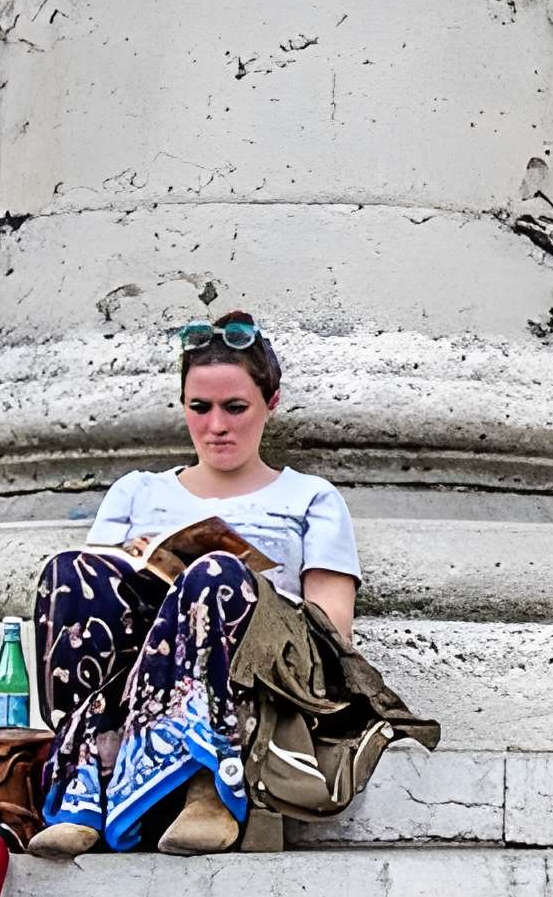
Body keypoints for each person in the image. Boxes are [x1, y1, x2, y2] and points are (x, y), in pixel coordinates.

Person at [27, 314, 362, 857]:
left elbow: (332, 632)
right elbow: (93, 595)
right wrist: (135, 558)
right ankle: (86, 777)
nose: (216, 426)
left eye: (235, 408)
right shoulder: (138, 492)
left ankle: (210, 786)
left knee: (214, 573)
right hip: (146, 659)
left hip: (261, 661)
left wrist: (245, 582)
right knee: (73, 571)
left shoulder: (310, 498)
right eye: (199, 408)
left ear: (269, 404)